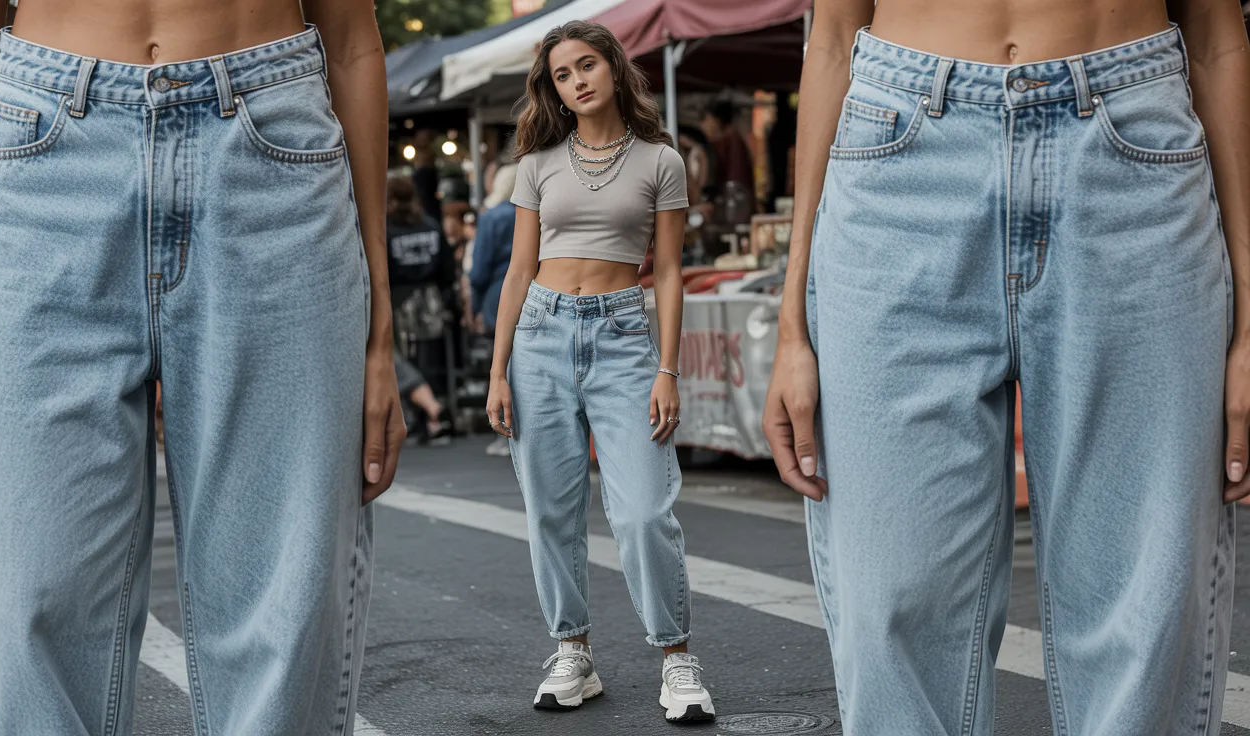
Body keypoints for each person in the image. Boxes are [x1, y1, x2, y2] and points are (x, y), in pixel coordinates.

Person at [763, 1, 1246, 735]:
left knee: (1147, 609)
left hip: (1132, 155)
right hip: (898, 161)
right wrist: (794, 320)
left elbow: (1216, 39)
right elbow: (830, 43)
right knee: (889, 606)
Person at [0, 1, 406, 734]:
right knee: (30, 606)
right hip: (40, 161)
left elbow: (350, 40)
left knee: (287, 610)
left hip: (271, 151)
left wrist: (381, 327)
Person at [487, 19, 715, 723]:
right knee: (551, 510)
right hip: (540, 338)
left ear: (613, 67)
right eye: (562, 73)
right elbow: (519, 270)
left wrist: (667, 368)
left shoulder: (659, 160)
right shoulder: (537, 163)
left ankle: (677, 660)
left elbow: (669, 271)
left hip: (622, 336)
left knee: (644, 510)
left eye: (587, 65)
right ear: (551, 87)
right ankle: (572, 651)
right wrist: (498, 370)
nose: (577, 80)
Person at [386, 176, 456, 435]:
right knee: (432, 356)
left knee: (401, 357)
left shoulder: (385, 228)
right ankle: (435, 413)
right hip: (431, 298)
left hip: (398, 299)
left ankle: (417, 416)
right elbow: (447, 268)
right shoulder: (430, 225)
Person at [471, 162, 518, 458]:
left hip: (497, 295)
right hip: (535, 292)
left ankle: (504, 429)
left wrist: (474, 306)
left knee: (500, 364)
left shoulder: (493, 217)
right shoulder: (529, 211)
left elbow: (479, 270)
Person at [700, 98, 754, 196]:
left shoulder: (731, 141)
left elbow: (735, 177)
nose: (703, 125)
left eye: (706, 119)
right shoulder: (726, 141)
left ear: (716, 120)